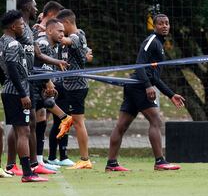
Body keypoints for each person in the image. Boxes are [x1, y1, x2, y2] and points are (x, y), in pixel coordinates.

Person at [106, 14, 185, 171]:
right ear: (154, 26)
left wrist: (170, 94)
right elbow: (140, 65)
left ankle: (111, 164)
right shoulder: (151, 41)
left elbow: (154, 76)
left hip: (136, 86)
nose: (165, 26)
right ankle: (160, 162)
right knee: (156, 121)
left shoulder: (160, 45)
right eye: (161, 24)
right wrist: (148, 86)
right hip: (139, 87)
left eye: (167, 23)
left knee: (121, 126)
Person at [6, 0, 67, 176]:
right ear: (26, 8)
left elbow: (37, 55)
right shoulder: (20, 30)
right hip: (21, 83)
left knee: (29, 123)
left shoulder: (28, 30)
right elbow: (19, 59)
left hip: (31, 79)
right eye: (34, 6)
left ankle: (33, 163)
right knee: (20, 125)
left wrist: (56, 63)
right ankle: (13, 165)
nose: (36, 9)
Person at [0, 9, 47, 182]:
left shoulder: (2, 42)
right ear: (13, 26)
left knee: (22, 130)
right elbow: (12, 69)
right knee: (23, 131)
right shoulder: (13, 44)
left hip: (9, 90)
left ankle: (26, 170)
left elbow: (2, 71)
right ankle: (28, 173)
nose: (23, 27)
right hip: (18, 91)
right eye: (21, 24)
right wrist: (22, 93)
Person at [34, 18, 74, 168]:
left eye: (63, 31)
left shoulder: (51, 46)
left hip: (42, 87)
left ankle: (39, 159)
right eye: (59, 31)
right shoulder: (43, 43)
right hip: (34, 87)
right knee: (33, 124)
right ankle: (36, 161)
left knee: (41, 119)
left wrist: (48, 82)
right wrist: (48, 82)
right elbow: (37, 65)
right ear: (49, 30)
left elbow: (45, 67)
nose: (62, 34)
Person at [55, 9, 91, 169]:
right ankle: (66, 119)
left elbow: (68, 41)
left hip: (77, 86)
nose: (60, 30)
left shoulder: (76, 36)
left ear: (68, 23)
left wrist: (50, 31)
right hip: (68, 85)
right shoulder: (79, 34)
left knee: (78, 122)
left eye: (61, 26)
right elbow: (85, 54)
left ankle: (85, 159)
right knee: (73, 120)